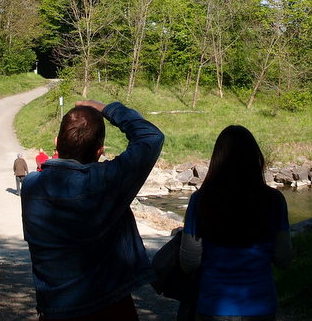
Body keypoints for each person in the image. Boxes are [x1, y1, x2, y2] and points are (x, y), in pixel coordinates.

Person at [21, 100, 165, 320]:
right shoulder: (105, 183)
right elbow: (150, 137)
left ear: (57, 143)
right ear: (100, 151)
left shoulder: (31, 187)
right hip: (110, 306)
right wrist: (107, 108)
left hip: (54, 310)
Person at [179, 125, 293, 321]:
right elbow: (283, 258)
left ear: (217, 160)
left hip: (212, 305)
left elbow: (189, 262)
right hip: (260, 305)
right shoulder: (274, 200)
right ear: (255, 159)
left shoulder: (201, 200)